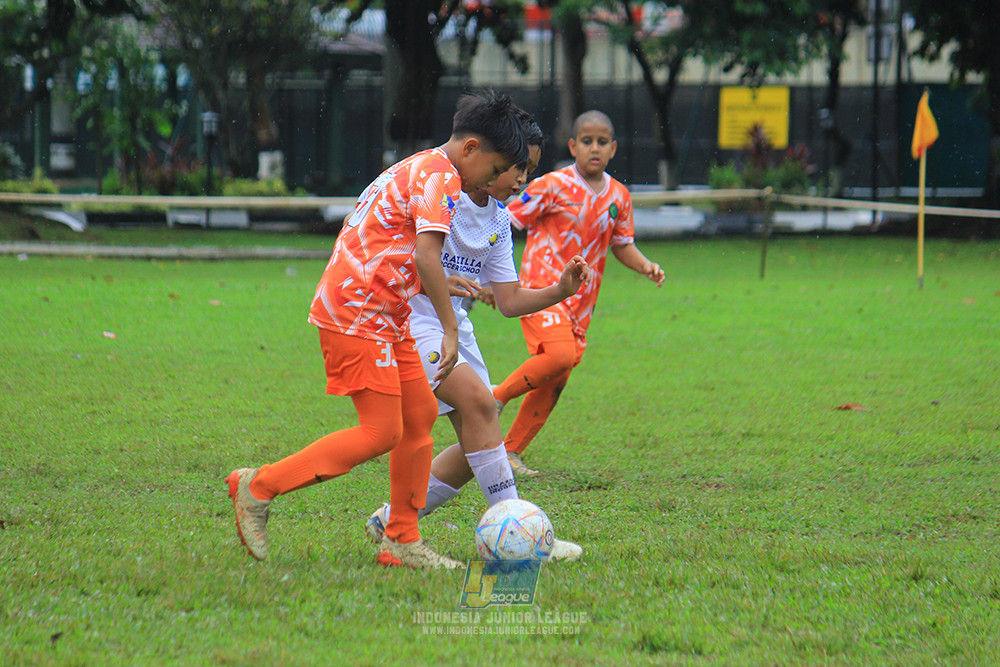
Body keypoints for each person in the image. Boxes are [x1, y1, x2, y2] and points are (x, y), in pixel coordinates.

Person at [225, 90, 529, 570]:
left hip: (388, 313)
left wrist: (430, 281)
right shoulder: (440, 176)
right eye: (495, 170)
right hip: (358, 313)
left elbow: (392, 243)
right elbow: (426, 253)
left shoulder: (425, 166)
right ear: (471, 148)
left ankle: (402, 537)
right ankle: (258, 486)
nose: (494, 182)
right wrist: (450, 328)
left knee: (420, 415)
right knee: (380, 432)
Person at [362, 113, 589, 562]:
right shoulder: (440, 192)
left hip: (456, 328)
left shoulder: (499, 221)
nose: (522, 179)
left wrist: (560, 290)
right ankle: (522, 535)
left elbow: (509, 300)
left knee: (477, 449)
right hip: (410, 321)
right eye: (516, 167)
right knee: (481, 406)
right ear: (490, 155)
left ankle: (392, 520)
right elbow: (417, 256)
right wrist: (446, 322)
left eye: (531, 170)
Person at [494, 110, 665, 477]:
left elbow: (622, 245)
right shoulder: (551, 185)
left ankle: (509, 452)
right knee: (559, 357)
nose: (594, 148)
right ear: (573, 146)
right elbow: (504, 221)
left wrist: (646, 265)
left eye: (602, 142)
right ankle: (495, 397)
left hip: (581, 305)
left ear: (613, 149)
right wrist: (490, 275)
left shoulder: (619, 196)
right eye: (587, 141)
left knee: (557, 376)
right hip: (541, 290)